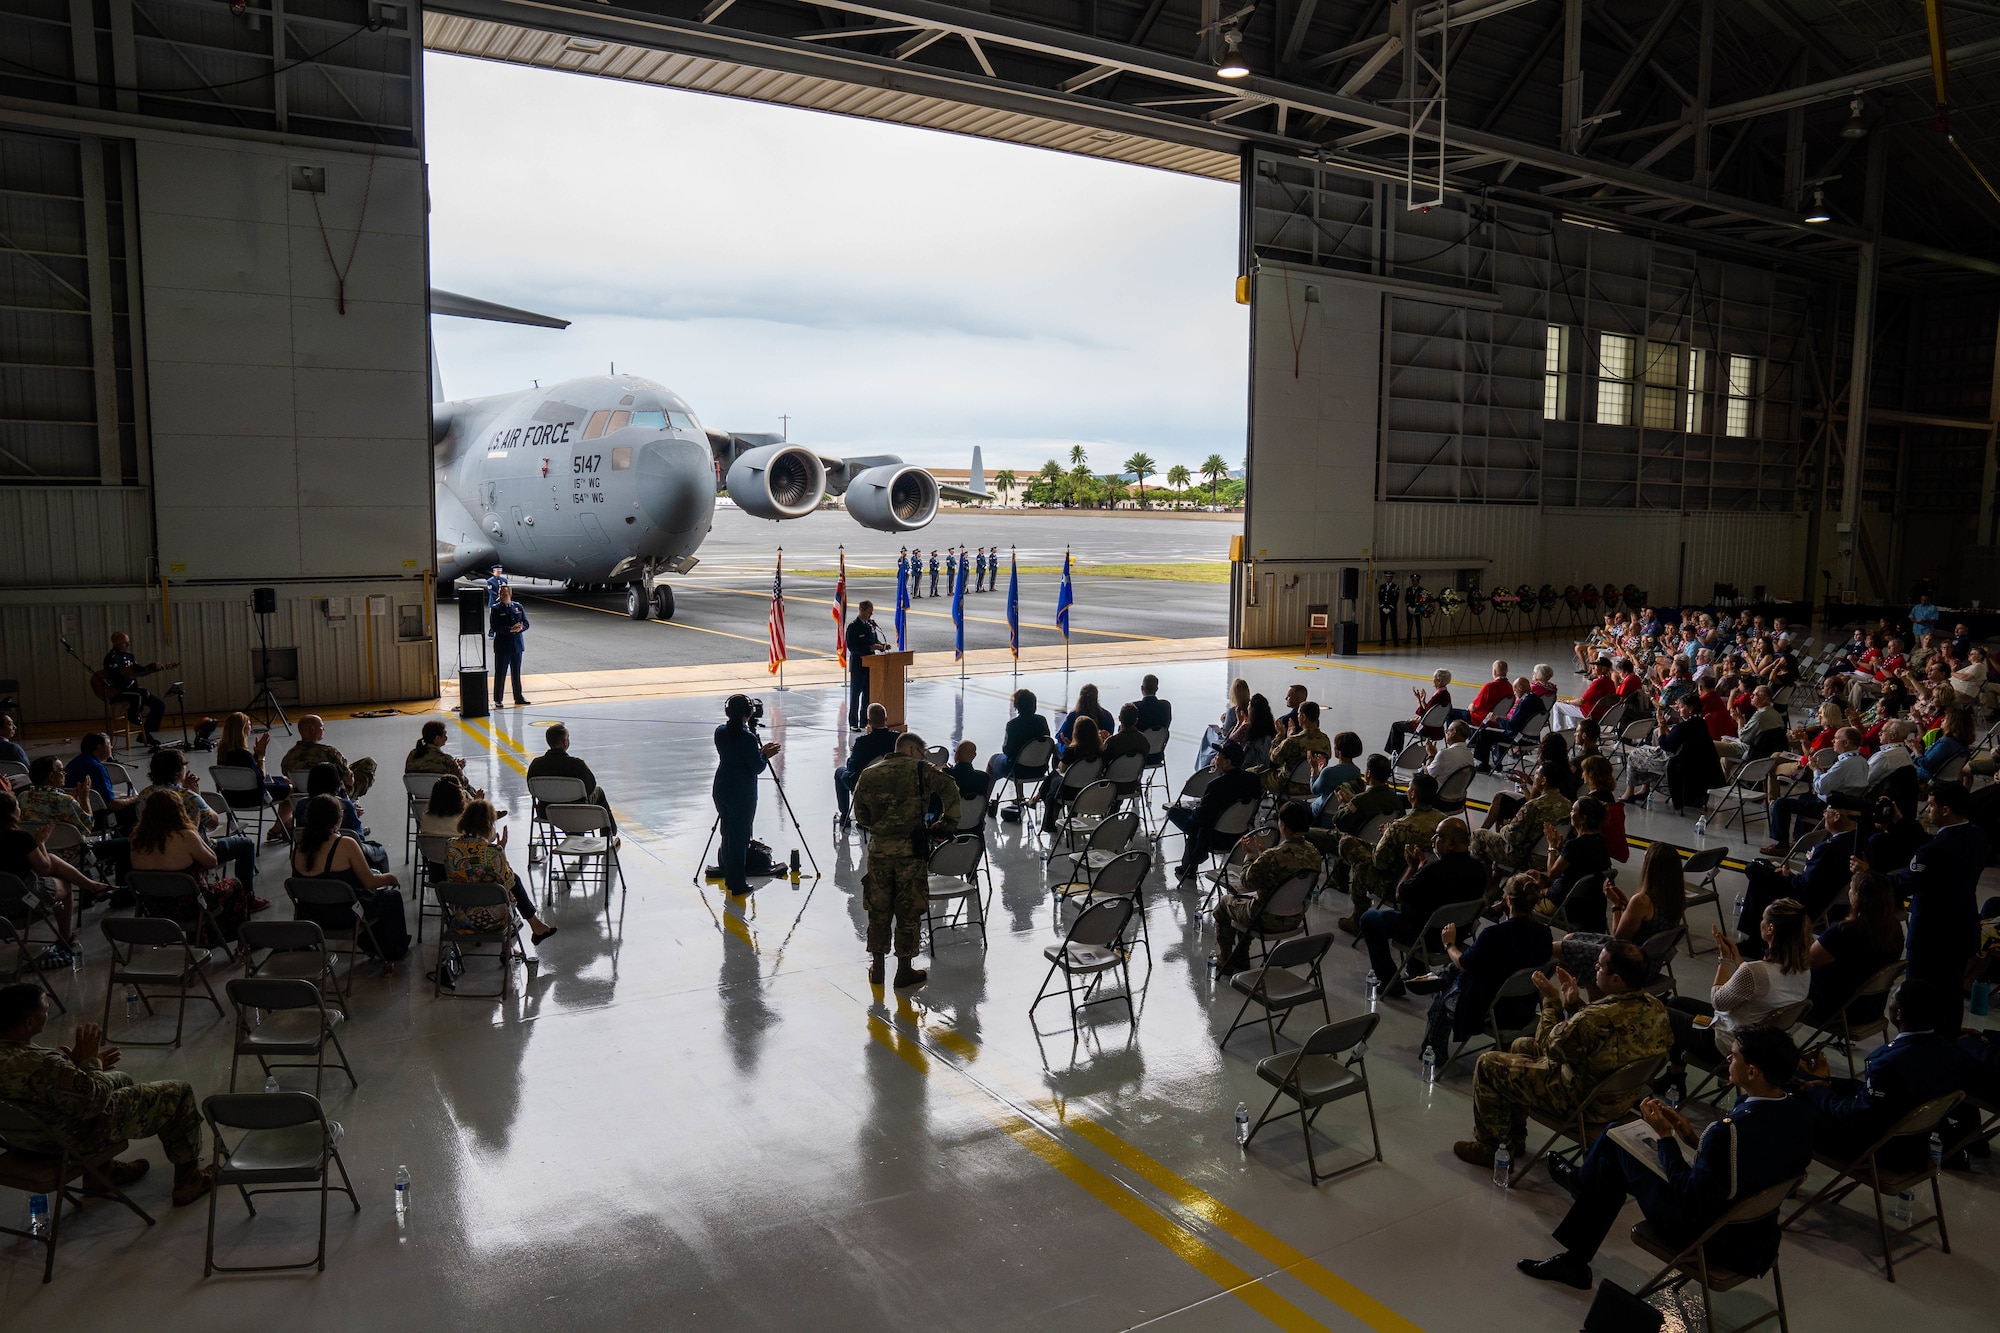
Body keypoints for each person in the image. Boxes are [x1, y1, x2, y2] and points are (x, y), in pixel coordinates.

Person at [1516, 1027, 1815, 1292]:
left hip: (1704, 1237)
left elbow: (1688, 1192)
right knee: (1610, 1161)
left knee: (1613, 1139)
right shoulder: (1799, 1114)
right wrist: (1692, 1139)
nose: (1727, 1059)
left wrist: (1665, 1136)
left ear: (1753, 1072)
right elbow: (1751, 1165)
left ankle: (1580, 1197)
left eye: (1734, 1056)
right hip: (1755, 1237)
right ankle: (1580, 1216)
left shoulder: (1729, 1131)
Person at [1455, 941, 1671, 1170]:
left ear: (1616, 979)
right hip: (1619, 1098)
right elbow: (1603, 1039)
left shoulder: (1596, 1016)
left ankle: (1490, 1148)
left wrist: (1551, 999)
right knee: (1521, 1046)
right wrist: (1575, 1004)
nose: (1595, 969)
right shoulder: (1656, 1008)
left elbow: (1548, 1045)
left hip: (1581, 1102)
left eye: (1599, 967)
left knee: (1488, 1064)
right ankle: (1511, 1139)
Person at [0, 984, 215, 1206]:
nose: (48, 1012)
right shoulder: (43, 1064)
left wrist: (74, 1068)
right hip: (73, 1139)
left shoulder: (25, 1059)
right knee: (178, 1092)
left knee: (121, 1079)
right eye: (45, 1009)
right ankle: (189, 1180)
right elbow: (94, 1103)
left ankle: (101, 1174)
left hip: (27, 1142)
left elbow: (36, 1090)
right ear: (30, 1023)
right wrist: (90, 1062)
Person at [1795, 978, 1963, 1173]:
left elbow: (1855, 1118)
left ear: (1898, 1012)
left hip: (1875, 1152)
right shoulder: (1947, 1051)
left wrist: (1817, 1093)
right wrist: (1831, 1085)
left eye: (1892, 998)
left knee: (1789, 1109)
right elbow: (1890, 1097)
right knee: (1801, 1080)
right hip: (1914, 1146)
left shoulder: (1889, 1062)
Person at [1662, 899, 1812, 1093]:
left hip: (1728, 1043)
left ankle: (1673, 1079)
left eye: (1763, 919)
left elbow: (1718, 1002)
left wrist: (1724, 959)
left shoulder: (1755, 971)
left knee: (1665, 1013)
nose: (1761, 923)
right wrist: (1737, 960)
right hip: (1759, 1043)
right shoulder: (1803, 971)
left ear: (1770, 929)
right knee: (1678, 1002)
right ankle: (1675, 1077)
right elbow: (1760, 988)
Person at [853, 732, 960, 989]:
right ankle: (903, 970)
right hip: (911, 851)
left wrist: (881, 827)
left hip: (879, 852)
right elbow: (951, 791)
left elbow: (860, 815)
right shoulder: (923, 770)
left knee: (878, 909)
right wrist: (945, 825)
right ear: (913, 750)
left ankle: (877, 967)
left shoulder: (869, 774)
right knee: (908, 910)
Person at [1415, 873, 1555, 1059]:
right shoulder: (1544, 933)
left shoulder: (1494, 934)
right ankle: (1440, 976)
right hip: (1524, 1006)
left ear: (1508, 900)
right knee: (1467, 967)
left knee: (1442, 997)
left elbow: (1464, 963)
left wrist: (1449, 944)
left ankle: (1433, 1055)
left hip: (1490, 1008)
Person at [1893, 782, 1989, 1024]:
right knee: (1951, 994)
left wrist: (1868, 874)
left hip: (1930, 934)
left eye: (1932, 806)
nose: (1927, 811)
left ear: (1945, 810)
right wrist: (1904, 823)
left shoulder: (1932, 851)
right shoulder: (1977, 836)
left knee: (1917, 996)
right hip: (1962, 927)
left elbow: (1903, 883)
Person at [1360, 816, 1485, 997]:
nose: (1433, 840)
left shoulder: (1434, 870)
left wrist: (1413, 867)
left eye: (1438, 836)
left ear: (1451, 844)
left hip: (1426, 936)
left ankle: (1389, 980)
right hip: (1457, 934)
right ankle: (1416, 971)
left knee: (1369, 919)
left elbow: (1399, 895)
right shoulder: (1479, 870)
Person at [290, 794, 411, 960]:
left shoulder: (300, 847)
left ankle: (373, 945)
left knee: (365, 900)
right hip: (344, 915)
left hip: (310, 915)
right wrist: (389, 877)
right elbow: (369, 882)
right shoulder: (345, 844)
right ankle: (392, 951)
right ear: (338, 819)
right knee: (391, 897)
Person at [127, 789, 251, 944]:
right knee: (235, 885)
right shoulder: (185, 836)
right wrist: (195, 831)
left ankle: (206, 936)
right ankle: (239, 940)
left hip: (155, 907)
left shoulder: (136, 839)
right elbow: (212, 862)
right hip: (192, 907)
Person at [1212, 801, 1321, 972]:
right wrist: (1263, 857)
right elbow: (1291, 880)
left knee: (1225, 903)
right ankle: (1240, 957)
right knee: (1244, 903)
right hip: (1295, 917)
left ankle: (1226, 958)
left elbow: (1247, 882)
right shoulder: (1314, 853)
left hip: (1264, 919)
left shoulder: (1273, 856)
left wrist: (1250, 855)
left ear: (1283, 825)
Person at [0, 790, 107, 964]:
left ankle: (93, 886)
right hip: (23, 900)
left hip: (2, 899)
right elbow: (44, 869)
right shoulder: (20, 838)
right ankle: (66, 937)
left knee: (52, 859)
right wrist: (40, 842)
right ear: (12, 812)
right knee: (65, 884)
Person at [141, 748, 258, 898]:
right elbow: (213, 823)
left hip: (155, 850)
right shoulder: (189, 797)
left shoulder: (144, 795)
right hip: (192, 852)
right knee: (246, 844)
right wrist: (197, 794)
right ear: (178, 772)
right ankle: (248, 897)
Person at [1737, 803, 1857, 949]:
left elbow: (1804, 888)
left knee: (1755, 870)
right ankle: (1756, 940)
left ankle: (1755, 943)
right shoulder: (1855, 842)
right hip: (1824, 899)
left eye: (1826, 812)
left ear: (1837, 816)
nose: (1824, 815)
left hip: (1805, 902)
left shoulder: (1828, 848)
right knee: (1763, 874)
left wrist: (1788, 878)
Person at [1558, 841, 1684, 979]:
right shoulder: (1677, 900)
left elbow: (1618, 940)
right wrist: (1626, 903)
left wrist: (1616, 905)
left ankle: (1594, 988)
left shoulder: (1642, 901)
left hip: (1627, 963)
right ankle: (1593, 987)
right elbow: (1646, 923)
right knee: (1570, 937)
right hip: (1651, 963)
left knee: (1560, 948)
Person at [1337, 773, 1445, 924]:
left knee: (1353, 851)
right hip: (1430, 883)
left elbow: (1379, 862)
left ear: (1412, 794)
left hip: (1396, 884)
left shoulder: (1400, 827)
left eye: (1409, 788)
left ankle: (1357, 916)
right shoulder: (1443, 822)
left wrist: (1387, 835)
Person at [445, 798, 556, 943]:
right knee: (511, 886)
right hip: (491, 920)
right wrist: (502, 852)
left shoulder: (450, 846)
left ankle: (536, 927)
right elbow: (508, 881)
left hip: (459, 917)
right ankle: (515, 943)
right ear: (488, 825)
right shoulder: (492, 852)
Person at [1803, 871, 1903, 1029]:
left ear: (1858, 897)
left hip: (1834, 1009)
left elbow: (1806, 962)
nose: (1849, 892)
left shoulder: (1844, 932)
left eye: (1852, 889)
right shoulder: (1895, 930)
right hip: (1871, 1007)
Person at [712, 695, 780, 897]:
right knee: (740, 838)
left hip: (722, 786)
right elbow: (756, 767)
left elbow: (736, 753)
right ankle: (737, 883)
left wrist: (757, 751)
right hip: (741, 791)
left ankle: (729, 875)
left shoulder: (720, 732)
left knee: (727, 833)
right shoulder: (748, 738)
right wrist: (764, 755)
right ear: (748, 714)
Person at [1762, 727, 1867, 854]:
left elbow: (1820, 787)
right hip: (1847, 802)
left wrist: (1815, 769)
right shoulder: (1862, 761)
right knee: (1805, 797)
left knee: (1780, 804)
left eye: (1837, 738)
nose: (1833, 740)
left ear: (1846, 743)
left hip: (1830, 806)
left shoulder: (1844, 764)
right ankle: (1800, 838)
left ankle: (1782, 845)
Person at [1166, 742, 1260, 879]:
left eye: (1218, 756)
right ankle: (1188, 865)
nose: (1216, 758)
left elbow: (1201, 817)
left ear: (1227, 762)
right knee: (1196, 823)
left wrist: (1194, 811)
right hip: (1240, 834)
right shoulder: (1254, 780)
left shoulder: (1217, 785)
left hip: (1214, 836)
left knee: (1175, 813)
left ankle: (1191, 863)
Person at [215, 711, 294, 843]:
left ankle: (286, 827)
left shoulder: (223, 753)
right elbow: (260, 777)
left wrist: (255, 756)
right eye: (249, 725)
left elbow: (248, 773)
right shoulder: (243, 754)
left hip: (232, 797)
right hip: (252, 797)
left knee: (285, 780)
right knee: (292, 790)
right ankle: (276, 829)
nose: (251, 728)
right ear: (243, 729)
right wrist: (261, 756)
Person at [1542, 796, 1612, 933]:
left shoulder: (1575, 845)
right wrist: (1561, 850)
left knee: (1520, 888)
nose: (1570, 813)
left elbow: (1552, 873)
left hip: (1565, 905)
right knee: (1532, 874)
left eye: (1573, 810)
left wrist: (1551, 847)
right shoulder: (1601, 843)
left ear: (1583, 818)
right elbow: (1581, 864)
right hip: (1588, 906)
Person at [305, 764, 389, 872]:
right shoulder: (344, 805)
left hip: (311, 849)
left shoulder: (301, 804)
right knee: (379, 851)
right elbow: (359, 837)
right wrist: (354, 815)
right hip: (343, 851)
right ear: (336, 784)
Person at [278, 714, 377, 800]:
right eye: (321, 726)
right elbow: (349, 780)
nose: (324, 729)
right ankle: (351, 805)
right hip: (334, 796)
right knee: (368, 762)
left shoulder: (289, 756)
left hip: (301, 798)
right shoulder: (329, 752)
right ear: (312, 729)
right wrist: (344, 765)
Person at [835, 704, 900, 827]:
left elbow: (852, 768)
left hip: (865, 785)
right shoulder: (897, 738)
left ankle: (845, 816)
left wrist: (852, 756)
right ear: (886, 719)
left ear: (869, 722)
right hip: (892, 783)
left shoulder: (862, 743)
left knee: (840, 772)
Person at [101, 630, 168, 746]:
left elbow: (138, 669)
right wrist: (135, 685)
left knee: (159, 704)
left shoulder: (129, 656)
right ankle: (133, 714)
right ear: (116, 642)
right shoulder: (111, 658)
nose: (127, 645)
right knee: (140, 694)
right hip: (119, 691)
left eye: (128, 642)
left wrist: (152, 667)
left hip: (134, 689)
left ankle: (145, 734)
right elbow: (117, 678)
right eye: (124, 643)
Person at [987, 689, 1053, 797]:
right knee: (1020, 758)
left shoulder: (1012, 725)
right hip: (1040, 769)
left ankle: (986, 799)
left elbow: (1008, 751)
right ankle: (1019, 797)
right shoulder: (1042, 721)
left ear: (1017, 705)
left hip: (1017, 770)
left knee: (993, 760)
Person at [68, 733, 140, 829]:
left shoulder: (73, 764)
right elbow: (111, 805)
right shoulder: (97, 768)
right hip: (95, 820)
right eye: (109, 744)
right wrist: (134, 798)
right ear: (100, 747)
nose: (111, 747)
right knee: (136, 806)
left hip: (72, 817)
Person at [1262, 700, 1330, 795]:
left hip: (1288, 786)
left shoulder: (1293, 742)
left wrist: (1280, 735)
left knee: (1254, 772)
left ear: (1303, 717)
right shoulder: (1325, 740)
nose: (1298, 717)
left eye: (1298, 714)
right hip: (1312, 785)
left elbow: (1274, 758)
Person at [405, 720, 481, 795]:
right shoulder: (446, 760)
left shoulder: (412, 755)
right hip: (444, 802)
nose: (446, 738)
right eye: (444, 735)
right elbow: (462, 782)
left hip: (419, 801)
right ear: (437, 739)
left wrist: (456, 766)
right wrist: (458, 768)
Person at [1386, 669, 1452, 753]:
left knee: (1396, 726)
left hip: (1426, 729)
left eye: (1434, 677)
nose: (1432, 679)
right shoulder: (1446, 695)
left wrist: (1419, 702)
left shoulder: (1438, 696)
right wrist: (1422, 701)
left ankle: (1395, 753)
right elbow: (1431, 712)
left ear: (1439, 681)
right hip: (1438, 730)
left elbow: (1423, 715)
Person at [844, 599, 885, 731]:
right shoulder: (853, 627)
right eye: (869, 612)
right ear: (862, 610)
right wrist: (870, 648)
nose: (871, 615)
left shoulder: (870, 625)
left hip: (871, 665)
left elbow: (874, 640)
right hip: (858, 665)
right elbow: (853, 647)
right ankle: (853, 723)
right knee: (855, 695)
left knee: (868, 695)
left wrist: (881, 646)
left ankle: (864, 721)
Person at [1308, 732, 1365, 825]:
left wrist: (1314, 770)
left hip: (1322, 814)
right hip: (1342, 816)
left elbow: (1315, 790)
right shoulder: (1357, 772)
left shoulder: (1328, 772)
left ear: (1339, 752)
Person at [490, 583, 532, 708]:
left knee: (516, 672)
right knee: (500, 673)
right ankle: (498, 699)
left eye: (505, 594)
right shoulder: (496, 609)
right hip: (503, 646)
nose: (502, 597)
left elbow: (526, 623)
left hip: (517, 645)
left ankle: (518, 697)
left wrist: (520, 628)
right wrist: (510, 629)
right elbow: (495, 627)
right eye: (501, 595)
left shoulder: (518, 606)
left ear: (511, 595)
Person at [1578, 755, 1627, 863]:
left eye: (1584, 771)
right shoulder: (1609, 796)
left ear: (1591, 774)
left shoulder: (1589, 802)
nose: (1582, 775)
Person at [1551, 659, 1616, 732]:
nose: (1593, 668)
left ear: (1604, 669)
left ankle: (1558, 731)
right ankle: (1573, 729)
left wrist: (1567, 701)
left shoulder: (1598, 683)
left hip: (1590, 712)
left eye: (1596, 666)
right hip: (1603, 712)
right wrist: (1570, 702)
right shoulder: (1610, 682)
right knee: (1570, 707)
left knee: (1557, 705)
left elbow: (1581, 701)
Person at [1055, 684, 1114, 758]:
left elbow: (1061, 736)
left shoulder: (1074, 716)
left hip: (1076, 754)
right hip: (1099, 754)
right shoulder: (1107, 716)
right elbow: (1109, 737)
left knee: (1057, 746)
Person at [1459, 660, 1514, 727]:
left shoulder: (1489, 686)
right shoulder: (1510, 687)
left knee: (1452, 713)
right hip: (1497, 720)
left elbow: (1474, 707)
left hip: (1482, 719)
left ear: (1494, 671)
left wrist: (1468, 707)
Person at [1425, 720, 1475, 789]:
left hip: (1438, 795)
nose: (1446, 733)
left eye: (1447, 731)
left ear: (1453, 732)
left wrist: (1431, 755)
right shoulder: (1470, 756)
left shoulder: (1444, 754)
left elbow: (1428, 774)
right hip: (1459, 796)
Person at [948, 741, 991, 806]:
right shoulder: (984, 778)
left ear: (956, 755)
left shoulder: (946, 774)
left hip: (950, 814)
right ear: (974, 756)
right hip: (973, 815)